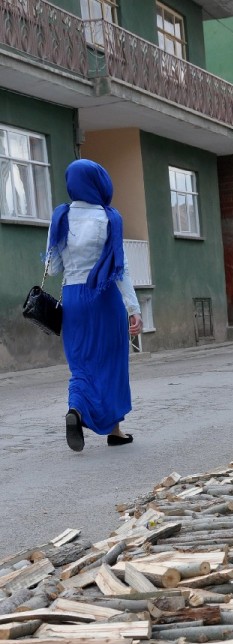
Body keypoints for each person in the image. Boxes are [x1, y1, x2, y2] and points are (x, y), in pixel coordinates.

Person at [46, 159, 142, 452]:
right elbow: (119, 269)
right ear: (99, 183)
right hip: (104, 297)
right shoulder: (109, 218)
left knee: (81, 364)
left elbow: (52, 268)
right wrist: (133, 308)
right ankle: (115, 430)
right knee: (112, 363)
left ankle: (75, 410)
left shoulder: (60, 216)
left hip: (73, 299)